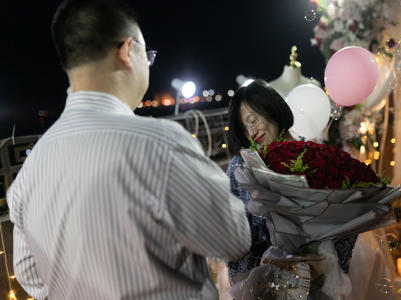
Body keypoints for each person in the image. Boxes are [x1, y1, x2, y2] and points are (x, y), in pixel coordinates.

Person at [6, 1, 251, 299]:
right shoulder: (160, 144)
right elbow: (234, 238)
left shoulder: (30, 170)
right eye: (147, 55)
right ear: (126, 51)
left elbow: (31, 276)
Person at [225, 80, 357, 283]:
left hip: (318, 279)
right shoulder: (241, 167)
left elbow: (347, 222)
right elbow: (233, 235)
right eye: (245, 128)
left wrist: (328, 262)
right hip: (264, 281)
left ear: (272, 109)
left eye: (254, 120)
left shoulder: (313, 157)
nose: (252, 132)